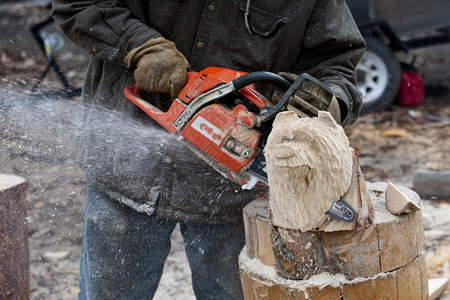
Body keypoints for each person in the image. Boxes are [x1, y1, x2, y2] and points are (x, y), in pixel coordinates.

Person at [51, 0, 365, 299]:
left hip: (234, 192)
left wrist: (327, 100)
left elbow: (336, 62)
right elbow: (77, 4)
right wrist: (139, 44)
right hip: (127, 170)